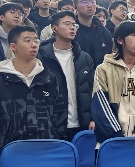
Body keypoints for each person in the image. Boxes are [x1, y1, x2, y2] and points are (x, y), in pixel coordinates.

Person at [0, 26, 67, 167]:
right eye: (27, 40)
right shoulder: (0, 80)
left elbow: (60, 116)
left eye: (36, 40)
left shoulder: (49, 78)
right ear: (13, 47)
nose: (34, 45)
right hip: (12, 151)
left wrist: (58, 145)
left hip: (46, 150)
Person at [90, 20, 135, 141]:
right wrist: (117, 136)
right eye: (133, 35)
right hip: (110, 141)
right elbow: (101, 105)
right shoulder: (104, 70)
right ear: (120, 40)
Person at [38, 9, 94, 139]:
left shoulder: (84, 58)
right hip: (52, 124)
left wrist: (93, 118)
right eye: (67, 24)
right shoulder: (42, 57)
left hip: (81, 123)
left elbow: (92, 90)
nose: (72, 28)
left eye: (74, 25)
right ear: (54, 28)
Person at [73, 0, 113, 68]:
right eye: (84, 2)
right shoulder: (70, 30)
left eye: (92, 2)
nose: (89, 5)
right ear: (75, 6)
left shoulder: (104, 32)